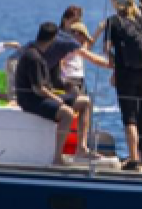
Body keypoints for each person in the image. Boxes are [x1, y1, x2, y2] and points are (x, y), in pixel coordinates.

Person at [13, 22, 95, 165]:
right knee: (67, 113)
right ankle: (58, 157)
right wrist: (57, 99)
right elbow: (38, 89)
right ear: (53, 39)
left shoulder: (45, 54)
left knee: (85, 102)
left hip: (43, 95)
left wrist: (69, 87)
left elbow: (55, 81)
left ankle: (81, 148)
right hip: (31, 99)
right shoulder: (34, 57)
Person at [105, 0, 142, 170]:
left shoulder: (113, 22)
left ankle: (134, 159)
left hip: (125, 75)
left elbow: (107, 49)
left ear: (118, 5)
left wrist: (115, 62)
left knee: (130, 119)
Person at [57, 5, 110, 95]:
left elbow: (86, 49)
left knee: (84, 104)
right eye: (73, 21)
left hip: (80, 77)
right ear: (65, 20)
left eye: (78, 21)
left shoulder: (77, 36)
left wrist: (99, 30)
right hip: (68, 79)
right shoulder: (59, 37)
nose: (76, 24)